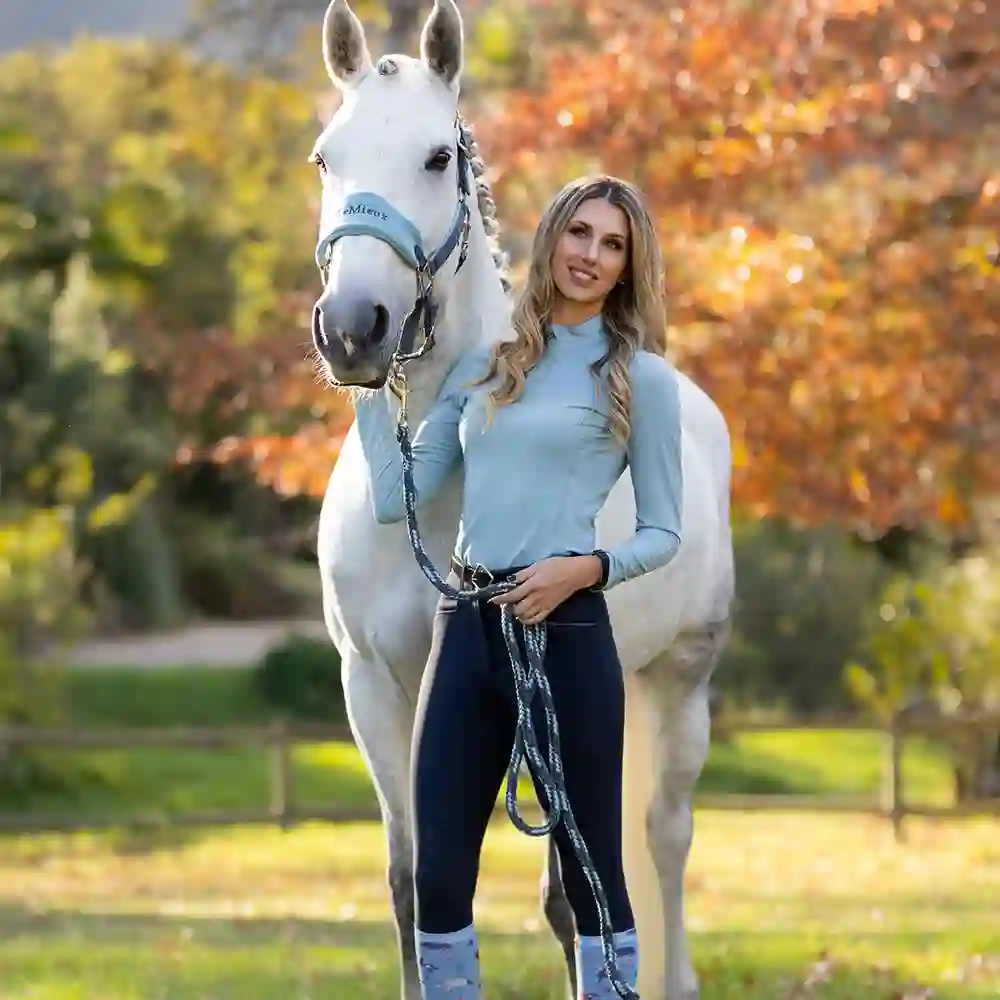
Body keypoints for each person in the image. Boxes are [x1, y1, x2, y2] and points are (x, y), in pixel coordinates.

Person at [352, 175, 683, 1000]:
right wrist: (366, 387)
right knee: (439, 865)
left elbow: (664, 532)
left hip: (567, 630)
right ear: (552, 236)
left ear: (629, 266)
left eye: (613, 245)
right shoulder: (486, 362)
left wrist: (585, 569)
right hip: (465, 626)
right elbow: (398, 497)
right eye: (580, 234)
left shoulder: (640, 379)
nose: (591, 256)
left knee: (591, 866)